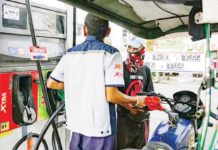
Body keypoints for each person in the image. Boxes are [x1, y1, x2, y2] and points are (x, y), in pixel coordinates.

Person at [47, 13, 147, 150]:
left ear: (84, 30)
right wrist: (135, 100)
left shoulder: (70, 54)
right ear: (108, 32)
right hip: (100, 131)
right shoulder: (111, 54)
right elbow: (112, 95)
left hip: (76, 128)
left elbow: (51, 83)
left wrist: (81, 82)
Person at [117, 37, 154, 149]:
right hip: (124, 119)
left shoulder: (146, 70)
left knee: (142, 147)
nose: (132, 51)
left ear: (142, 49)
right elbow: (114, 95)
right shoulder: (120, 68)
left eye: (135, 48)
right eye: (130, 47)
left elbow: (151, 93)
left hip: (142, 119)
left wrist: (148, 104)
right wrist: (129, 107)